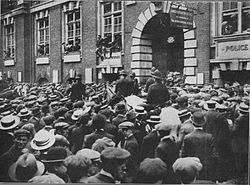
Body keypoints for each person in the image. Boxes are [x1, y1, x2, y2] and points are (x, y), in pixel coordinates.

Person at [181, 111, 219, 181]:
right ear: (204, 123)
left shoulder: (187, 137)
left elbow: (183, 155)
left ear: (192, 122)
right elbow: (215, 155)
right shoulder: (209, 137)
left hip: (192, 168)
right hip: (207, 169)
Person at [231, 103, 249, 182]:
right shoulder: (248, 118)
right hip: (246, 142)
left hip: (238, 144)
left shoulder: (238, 120)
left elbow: (234, 131)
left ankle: (239, 178)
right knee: (245, 160)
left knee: (238, 161)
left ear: (240, 111)